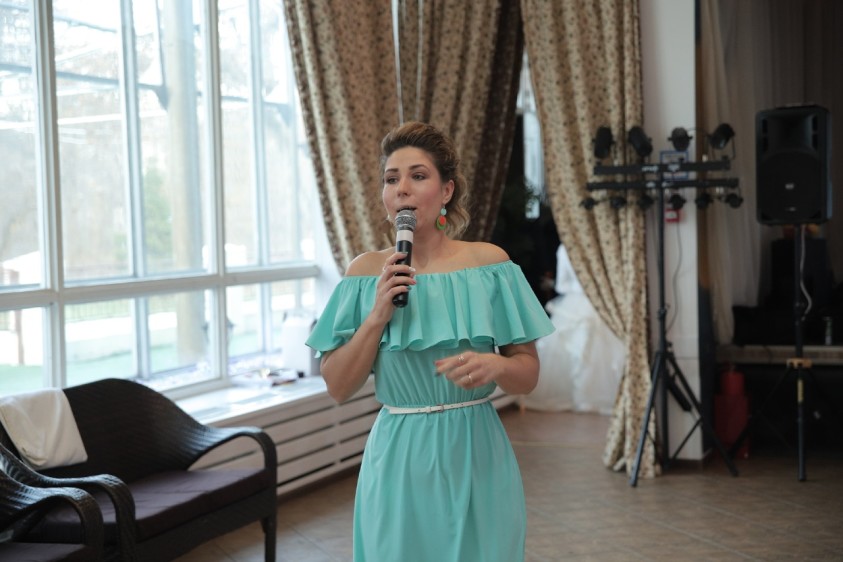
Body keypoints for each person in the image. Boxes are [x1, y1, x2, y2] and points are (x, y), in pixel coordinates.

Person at [306, 121, 555, 562]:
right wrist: (377, 316)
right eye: (391, 179)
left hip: (476, 451)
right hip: (398, 457)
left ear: (446, 191)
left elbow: (528, 374)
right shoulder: (363, 275)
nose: (401, 187)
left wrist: (498, 366)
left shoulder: (490, 266)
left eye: (418, 176)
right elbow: (339, 387)